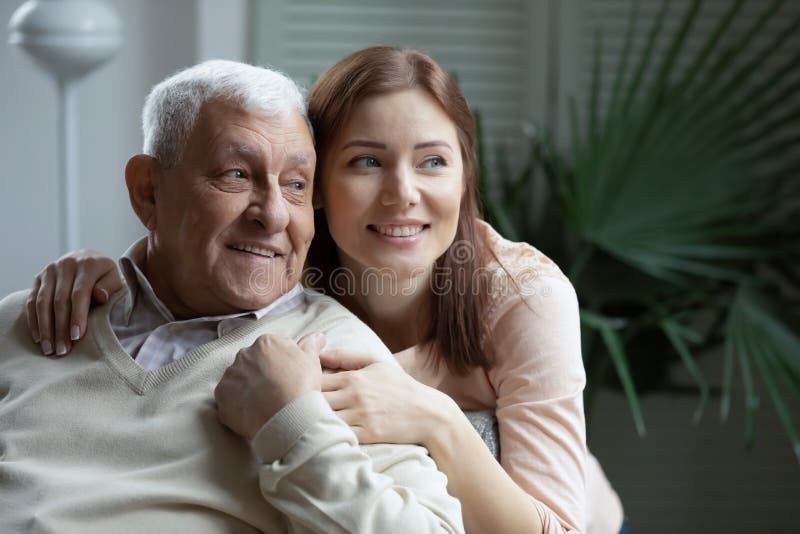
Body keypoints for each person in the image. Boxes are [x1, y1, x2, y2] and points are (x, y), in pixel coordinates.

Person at [26, 48, 624, 533]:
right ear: (316, 184)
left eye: (434, 162)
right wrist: (101, 268)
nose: (402, 194)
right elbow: (185, 248)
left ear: (466, 176)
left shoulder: (524, 296)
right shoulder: (285, 253)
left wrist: (437, 420)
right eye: (366, 162)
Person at [0, 59, 464, 534]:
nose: (275, 215)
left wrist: (291, 425)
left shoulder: (335, 355)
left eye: (296, 185)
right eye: (237, 174)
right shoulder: (34, 317)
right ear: (148, 192)